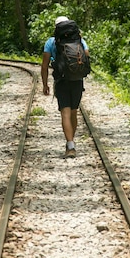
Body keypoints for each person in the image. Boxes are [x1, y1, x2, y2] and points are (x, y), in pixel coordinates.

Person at [41, 16, 90, 158]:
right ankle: (71, 142)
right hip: (77, 80)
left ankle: (70, 144)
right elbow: (86, 55)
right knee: (74, 111)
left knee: (65, 112)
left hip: (61, 81)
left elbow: (44, 66)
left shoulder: (51, 42)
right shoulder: (79, 40)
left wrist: (45, 84)